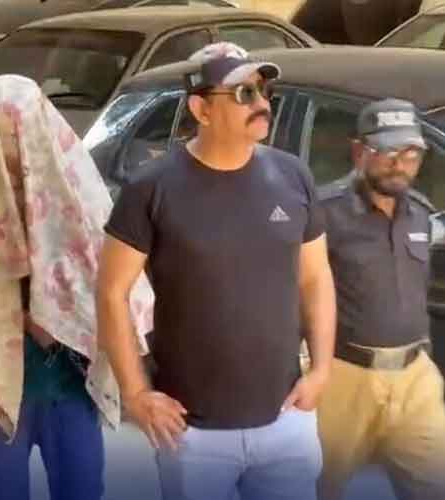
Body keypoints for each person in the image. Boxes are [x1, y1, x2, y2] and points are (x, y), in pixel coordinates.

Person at [97, 42, 336, 500]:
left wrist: (322, 368)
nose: (261, 103)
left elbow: (315, 277)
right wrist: (136, 393)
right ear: (201, 109)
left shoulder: (293, 176)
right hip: (192, 432)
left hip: (287, 418)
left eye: (264, 91)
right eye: (243, 93)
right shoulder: (151, 189)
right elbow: (111, 292)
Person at [0, 74, 155, 500]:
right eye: (3, 135)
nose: (15, 147)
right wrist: (11, 305)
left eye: (23, 132)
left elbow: (115, 279)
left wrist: (64, 311)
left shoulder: (76, 184)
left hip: (69, 385)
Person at [316, 98, 445, 500]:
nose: (399, 164)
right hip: (343, 377)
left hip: (415, 379)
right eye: (388, 151)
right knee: (318, 487)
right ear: (360, 151)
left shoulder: (420, 213)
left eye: (411, 153)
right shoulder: (325, 214)